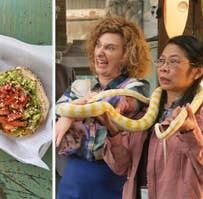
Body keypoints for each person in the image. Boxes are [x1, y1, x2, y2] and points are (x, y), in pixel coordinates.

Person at [55, 16, 152, 199]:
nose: (100, 52)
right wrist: (69, 111)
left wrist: (69, 113)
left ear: (126, 55)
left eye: (110, 48)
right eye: (98, 45)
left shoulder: (137, 88)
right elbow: (56, 109)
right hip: (73, 176)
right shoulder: (82, 85)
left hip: (112, 178)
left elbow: (109, 106)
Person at [102, 35, 203, 199]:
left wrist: (190, 132)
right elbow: (120, 167)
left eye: (173, 61)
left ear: (197, 71)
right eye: (161, 61)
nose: (164, 68)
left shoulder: (199, 116)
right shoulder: (144, 112)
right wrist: (114, 134)